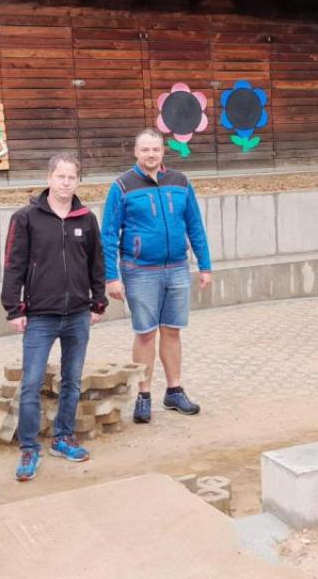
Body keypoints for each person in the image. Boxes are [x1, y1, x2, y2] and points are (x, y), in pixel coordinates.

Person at [1, 152, 108, 482]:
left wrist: (98, 303)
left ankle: (63, 438)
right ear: (49, 178)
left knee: (72, 381)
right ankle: (30, 447)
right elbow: (13, 265)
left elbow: (96, 263)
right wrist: (13, 308)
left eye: (71, 177)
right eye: (60, 176)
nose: (65, 183)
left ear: (78, 181)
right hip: (40, 317)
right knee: (31, 383)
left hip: (77, 314)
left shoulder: (86, 218)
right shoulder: (26, 218)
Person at [100, 129, 212, 424]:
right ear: (136, 152)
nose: (151, 154)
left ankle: (174, 391)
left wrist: (205, 265)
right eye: (145, 149)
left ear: (163, 152)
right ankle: (144, 394)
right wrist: (111, 276)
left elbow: (195, 226)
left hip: (176, 268)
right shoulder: (122, 186)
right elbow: (109, 234)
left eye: (156, 149)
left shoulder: (180, 182)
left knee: (173, 330)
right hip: (139, 272)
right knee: (146, 333)